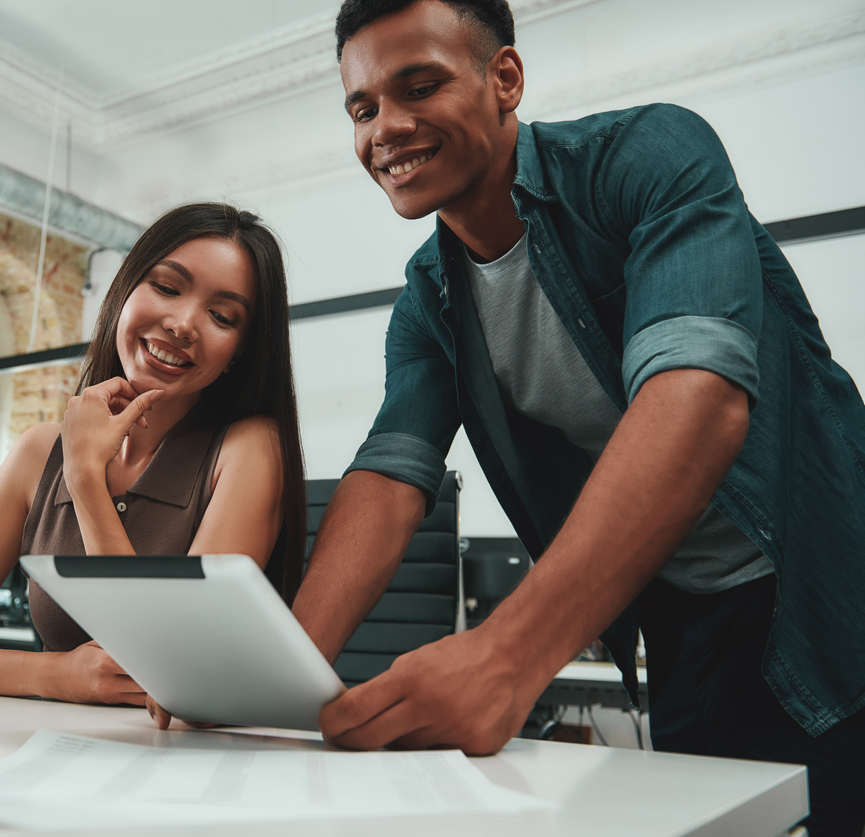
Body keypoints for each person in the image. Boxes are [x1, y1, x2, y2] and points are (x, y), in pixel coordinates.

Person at [293, 1, 865, 833]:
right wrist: (277, 671)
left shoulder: (650, 156)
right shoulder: (427, 299)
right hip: (680, 617)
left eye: (420, 86)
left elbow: (695, 397)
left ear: (505, 79)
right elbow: (390, 475)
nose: (387, 128)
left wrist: (507, 654)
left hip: (827, 585)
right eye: (363, 106)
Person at [0, 202, 306, 709]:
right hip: (53, 752)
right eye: (166, 286)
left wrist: (87, 479)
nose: (184, 323)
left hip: (178, 763)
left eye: (222, 316)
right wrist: (57, 675)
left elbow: (175, 674)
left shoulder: (249, 448)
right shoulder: (38, 452)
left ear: (238, 354)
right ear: (125, 291)